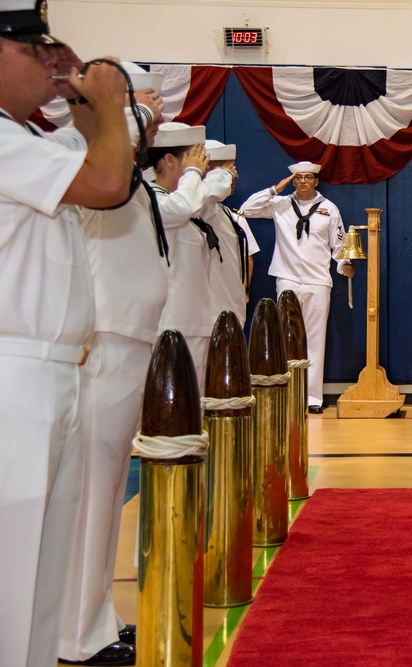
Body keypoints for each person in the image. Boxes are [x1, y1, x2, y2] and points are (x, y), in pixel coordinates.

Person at [0, 1, 134, 664]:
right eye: (34, 52)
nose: (50, 65)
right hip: (14, 375)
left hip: (50, 372)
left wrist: (82, 96)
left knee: (42, 575)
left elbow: (85, 152)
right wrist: (109, 101)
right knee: (13, 565)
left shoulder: (20, 138)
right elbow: (109, 179)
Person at [58, 63, 169, 667]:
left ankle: (92, 618)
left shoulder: (125, 171)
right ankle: (78, 633)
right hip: (106, 341)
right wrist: (131, 107)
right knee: (94, 495)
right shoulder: (95, 164)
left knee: (102, 493)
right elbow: (116, 151)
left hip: (128, 342)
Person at [241, 162, 355, 414]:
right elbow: (246, 209)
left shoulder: (328, 208)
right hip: (287, 279)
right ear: (293, 181)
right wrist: (275, 189)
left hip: (317, 281)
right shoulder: (281, 204)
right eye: (298, 177)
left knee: (315, 339)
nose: (303, 181)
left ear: (316, 181)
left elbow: (338, 246)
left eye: (308, 177)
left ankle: (313, 397)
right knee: (285, 338)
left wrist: (344, 266)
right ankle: (287, 393)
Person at [147, 122, 216, 390]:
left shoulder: (184, 202)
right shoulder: (151, 199)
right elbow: (181, 208)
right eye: (194, 158)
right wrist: (192, 174)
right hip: (168, 324)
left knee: (193, 410)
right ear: (169, 160)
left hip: (194, 321)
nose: (202, 166)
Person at [202, 139, 259, 328]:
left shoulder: (224, 212)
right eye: (227, 170)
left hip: (231, 308)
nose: (235, 176)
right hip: (210, 313)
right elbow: (208, 193)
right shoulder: (200, 208)